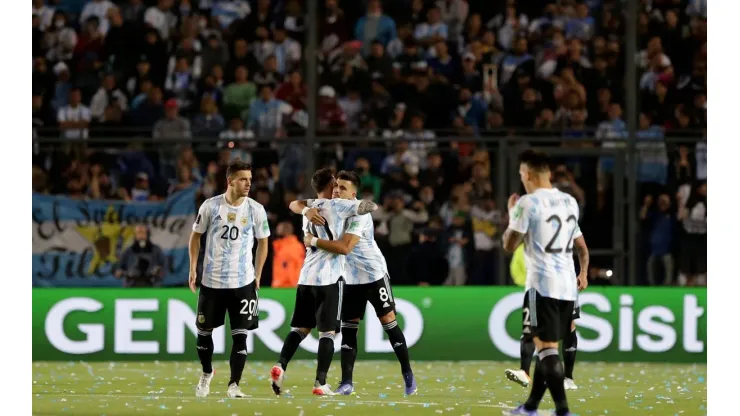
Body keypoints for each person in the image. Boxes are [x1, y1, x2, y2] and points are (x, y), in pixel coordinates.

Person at [300, 170, 417, 396]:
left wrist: (312, 240)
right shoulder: (330, 207)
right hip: (350, 277)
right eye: (336, 186)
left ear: (354, 194)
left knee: (388, 322)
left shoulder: (358, 214)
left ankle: (408, 374)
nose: (336, 190)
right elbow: (296, 204)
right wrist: (306, 209)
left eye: (343, 188)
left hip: (373, 274)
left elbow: (345, 247)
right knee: (349, 328)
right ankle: (346, 382)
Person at [269, 168, 378, 396]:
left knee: (299, 329)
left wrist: (307, 210)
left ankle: (281, 364)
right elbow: (369, 207)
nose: (337, 189)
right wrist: (358, 204)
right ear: (330, 186)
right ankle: (320, 383)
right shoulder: (338, 205)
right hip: (329, 278)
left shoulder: (308, 208)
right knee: (328, 334)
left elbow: (293, 204)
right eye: (336, 185)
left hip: (305, 277)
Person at [501, 150, 590, 416]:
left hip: (542, 284)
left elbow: (509, 244)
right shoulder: (570, 202)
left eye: (521, 174)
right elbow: (581, 247)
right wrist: (583, 272)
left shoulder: (527, 204)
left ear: (527, 174)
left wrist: (511, 215)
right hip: (567, 285)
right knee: (547, 346)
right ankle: (529, 408)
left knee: (547, 349)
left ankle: (563, 410)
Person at [188, 159, 271, 399]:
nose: (248, 184)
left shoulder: (256, 209)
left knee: (241, 336)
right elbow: (195, 237)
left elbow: (263, 241)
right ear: (230, 181)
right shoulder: (210, 207)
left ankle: (234, 384)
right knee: (204, 332)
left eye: (250, 180)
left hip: (242, 283)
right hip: (212, 283)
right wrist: (193, 268)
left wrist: (258, 274)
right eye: (243, 179)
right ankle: (206, 373)